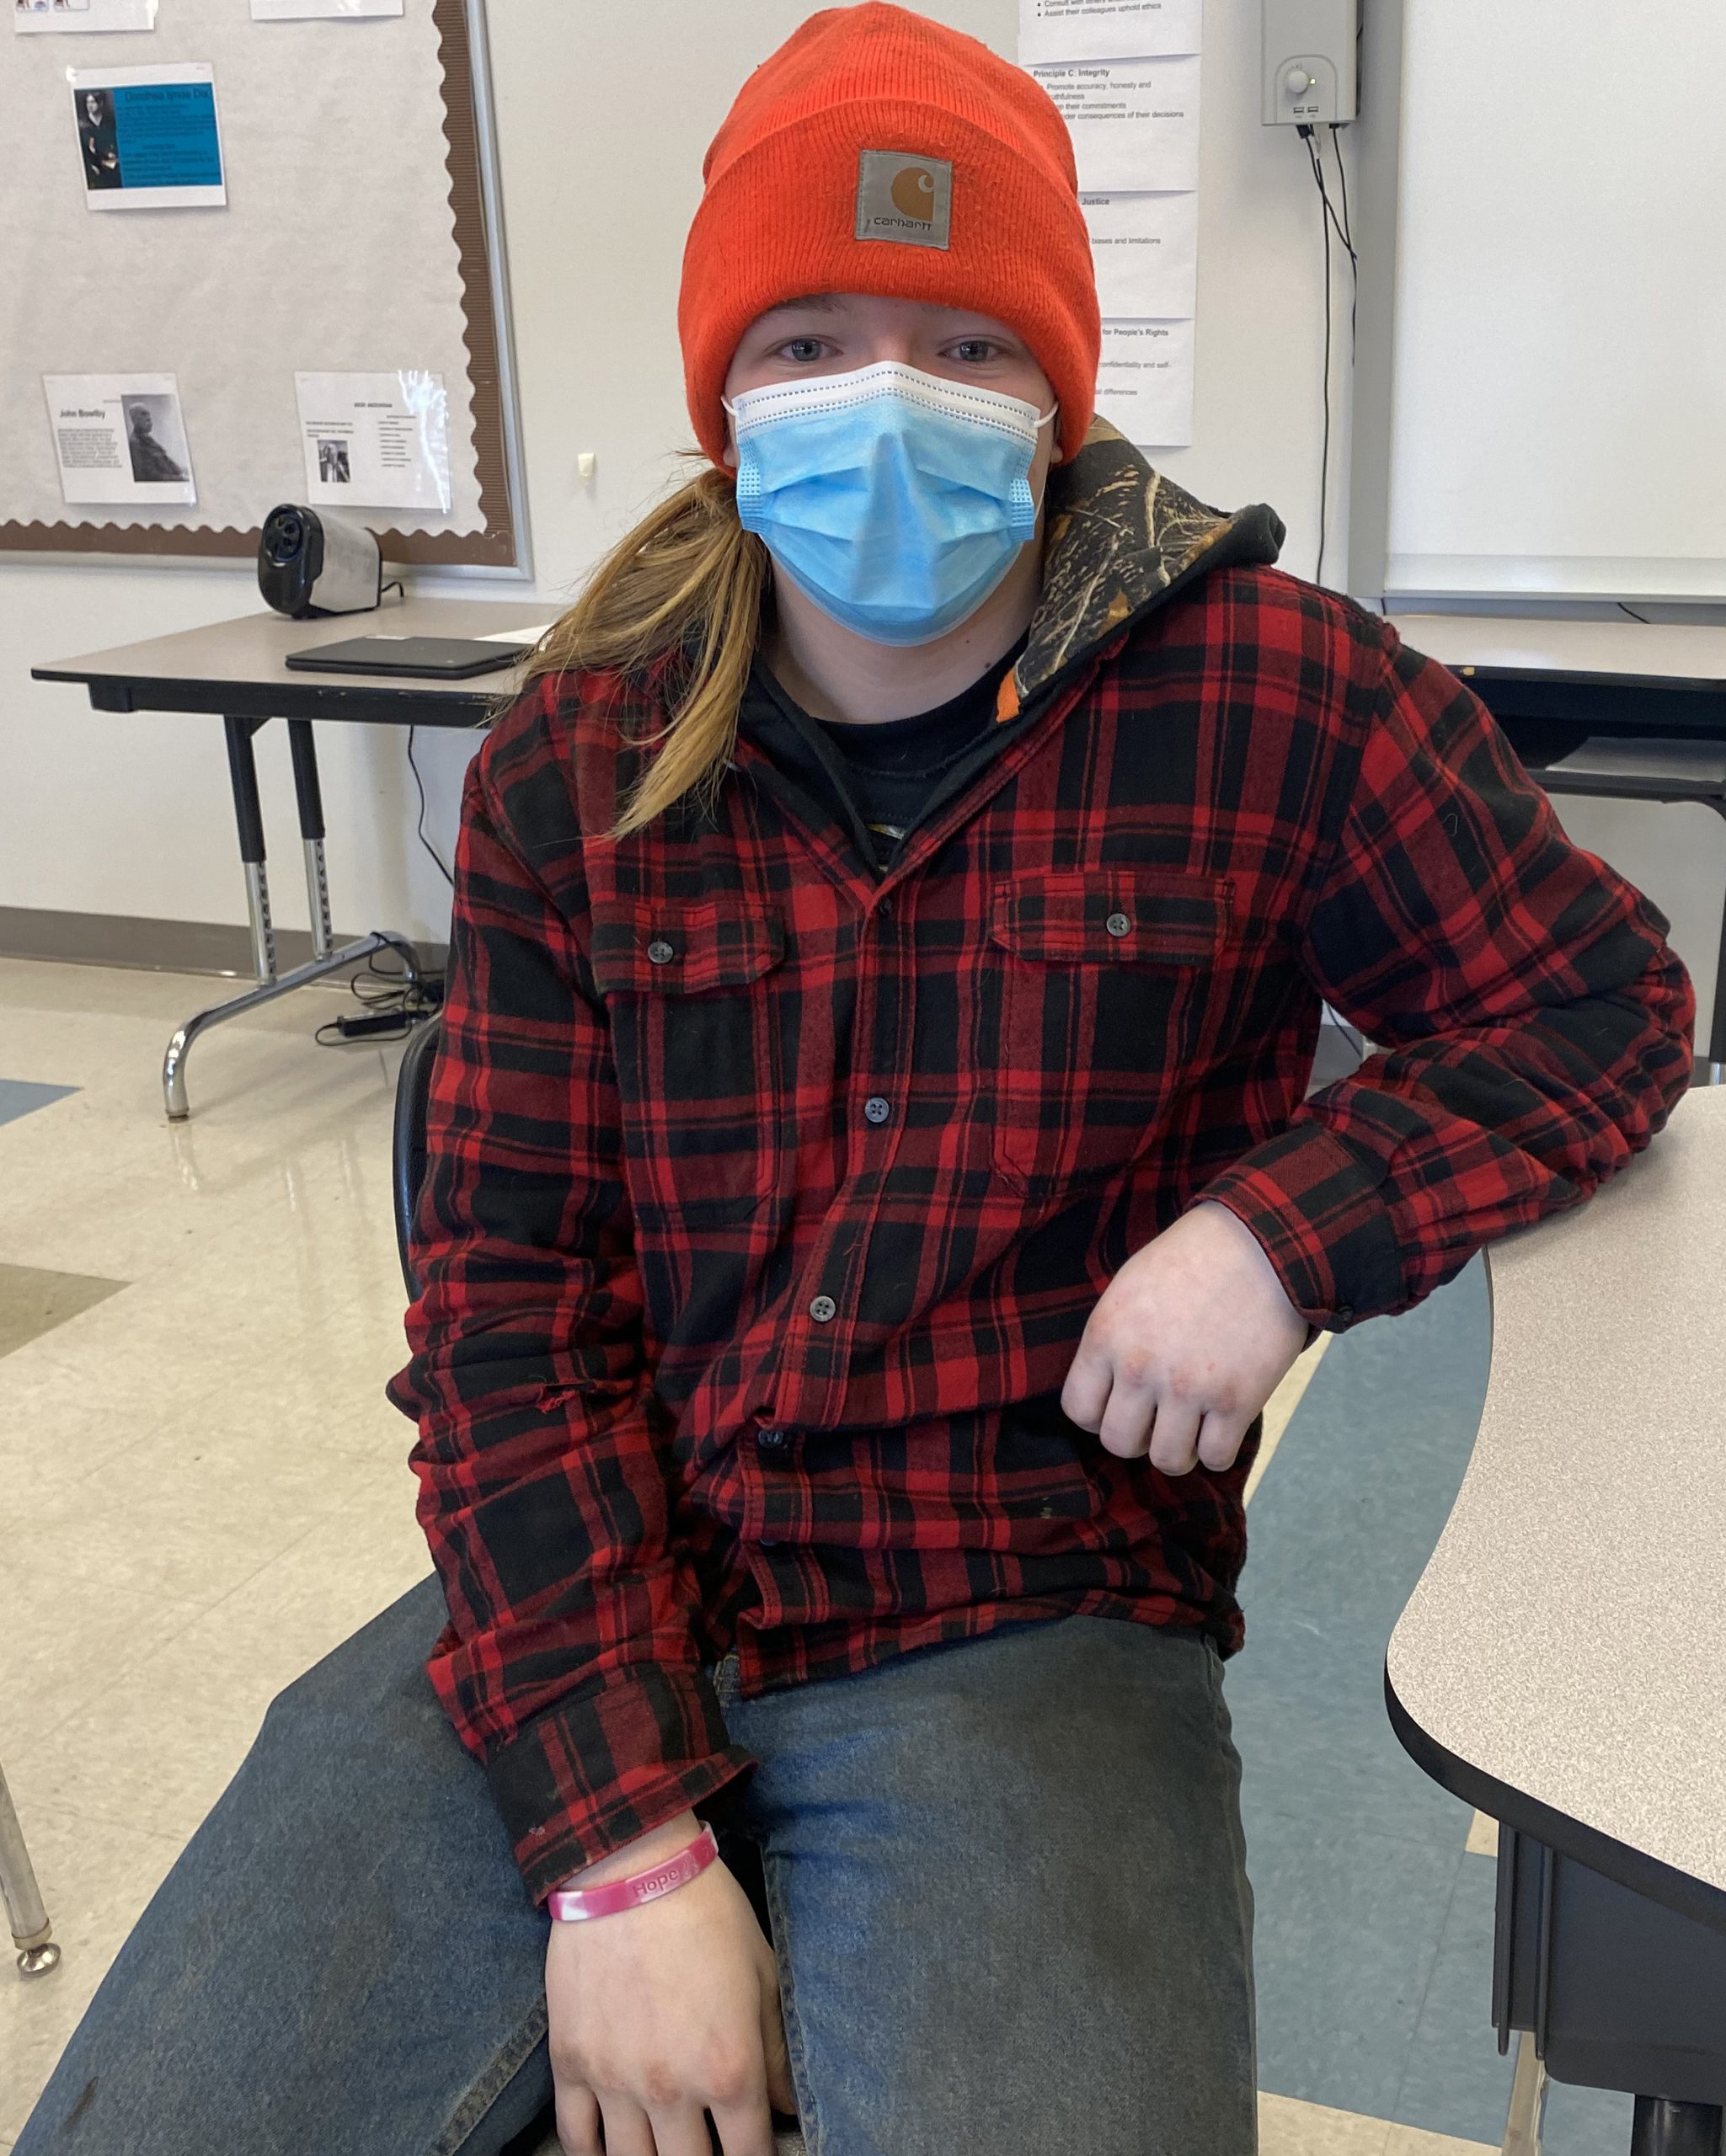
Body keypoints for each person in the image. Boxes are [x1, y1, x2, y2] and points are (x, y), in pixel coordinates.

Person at [16, 9, 1693, 2156]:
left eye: (959, 345)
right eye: (804, 337)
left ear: (1056, 387)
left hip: (1023, 1606)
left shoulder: (1273, 691)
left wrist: (1274, 1234)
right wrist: (618, 1844)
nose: (879, 401)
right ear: (721, 394)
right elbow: (510, 1321)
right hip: (614, 1561)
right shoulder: (584, 756)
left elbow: (1596, 1003)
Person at [124, 402, 187, 484]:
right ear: (135, 421)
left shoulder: (149, 440)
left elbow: (166, 460)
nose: (149, 420)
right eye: (143, 415)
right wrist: (179, 479)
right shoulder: (135, 444)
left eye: (148, 416)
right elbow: (150, 476)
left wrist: (181, 473)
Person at [77, 88, 120, 191]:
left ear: (100, 103)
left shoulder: (109, 121)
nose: (90, 105)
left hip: (113, 164)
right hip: (94, 167)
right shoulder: (83, 124)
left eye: (93, 102)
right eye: (88, 102)